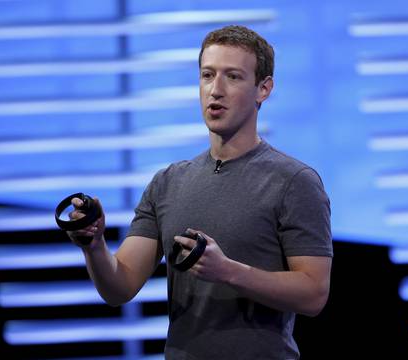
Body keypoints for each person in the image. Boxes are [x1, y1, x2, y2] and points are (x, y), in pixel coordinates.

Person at [66, 25, 333, 359]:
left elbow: (313, 294)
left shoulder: (294, 181)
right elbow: (120, 287)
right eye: (207, 75)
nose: (215, 90)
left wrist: (228, 271)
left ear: (263, 89)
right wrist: (94, 245)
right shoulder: (168, 183)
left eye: (233, 77)